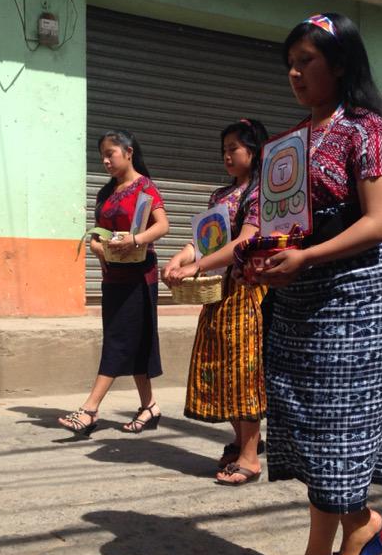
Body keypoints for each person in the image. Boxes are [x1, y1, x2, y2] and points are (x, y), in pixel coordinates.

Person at [247, 13, 382, 555]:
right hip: (295, 303)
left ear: (339, 64)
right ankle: (363, 526)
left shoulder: (369, 131)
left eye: (305, 60)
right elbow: (262, 225)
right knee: (307, 425)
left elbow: (380, 221)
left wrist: (307, 257)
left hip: (352, 303)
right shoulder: (287, 142)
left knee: (336, 431)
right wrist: (200, 260)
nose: (294, 72)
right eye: (289, 63)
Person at [163, 119, 270, 485]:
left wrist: (197, 265)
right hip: (217, 295)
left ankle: (250, 458)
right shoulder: (220, 196)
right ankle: (242, 442)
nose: (226, 155)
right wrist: (179, 259)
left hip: (246, 293)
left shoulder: (262, 193)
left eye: (233, 148)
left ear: (253, 151)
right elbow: (203, 242)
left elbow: (244, 241)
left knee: (244, 372)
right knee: (221, 369)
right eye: (223, 149)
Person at [59, 130, 170, 435]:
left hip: (138, 276)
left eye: (111, 154)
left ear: (129, 152)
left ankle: (90, 409)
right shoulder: (105, 193)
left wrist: (136, 239)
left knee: (118, 340)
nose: (106, 161)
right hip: (113, 277)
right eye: (102, 156)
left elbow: (163, 225)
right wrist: (97, 247)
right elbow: (98, 234)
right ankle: (150, 407)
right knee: (132, 341)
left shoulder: (145, 188)